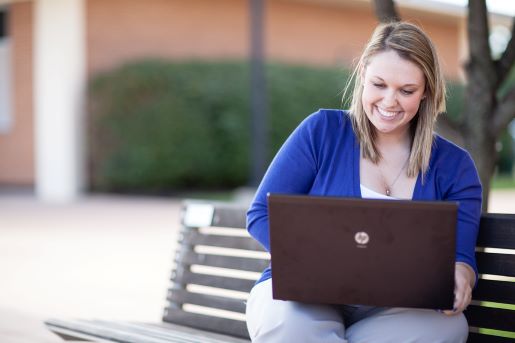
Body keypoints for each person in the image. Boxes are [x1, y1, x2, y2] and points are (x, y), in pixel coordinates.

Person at [245, 21, 482, 343]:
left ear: (427, 91)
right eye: (379, 84)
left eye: (406, 90)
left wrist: (461, 275)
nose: (389, 102)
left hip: (396, 308)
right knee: (290, 326)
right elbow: (260, 213)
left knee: (449, 328)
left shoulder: (455, 167)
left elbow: (461, 257)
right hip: (305, 297)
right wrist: (319, 265)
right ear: (362, 76)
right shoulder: (322, 131)